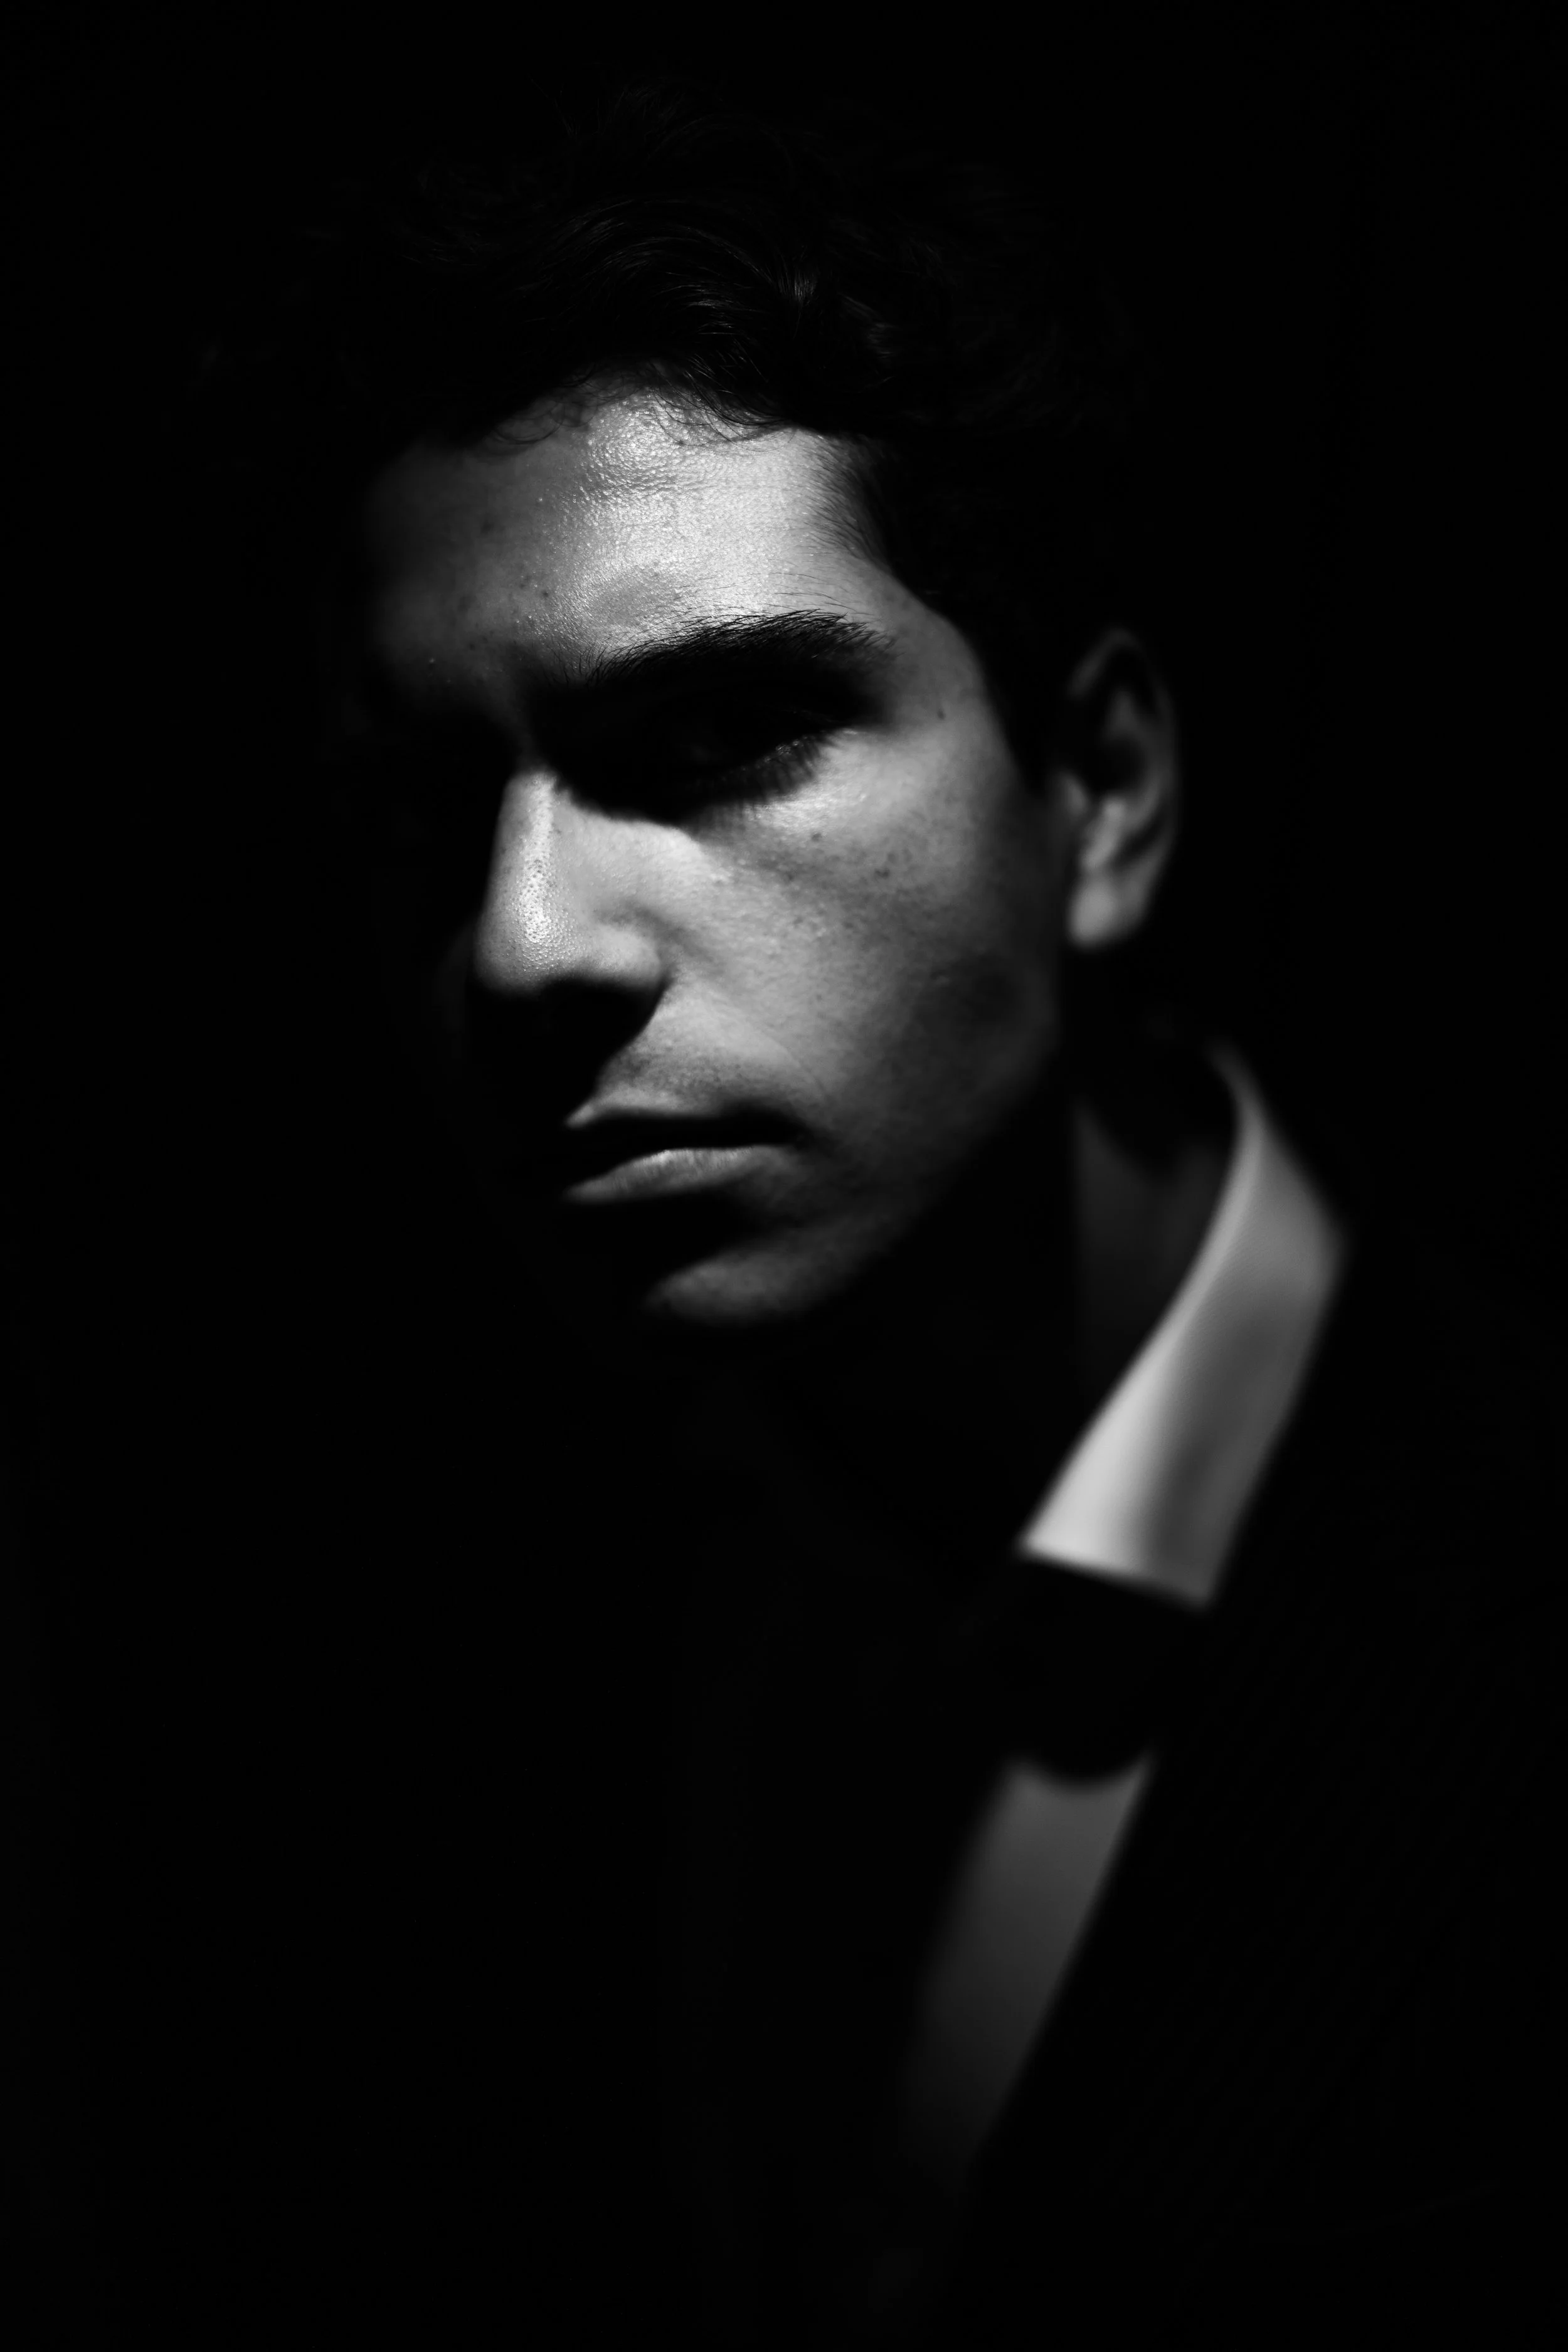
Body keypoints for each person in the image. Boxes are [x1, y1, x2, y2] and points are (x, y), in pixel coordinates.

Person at [180, 79, 1559, 2348]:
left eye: (719, 735)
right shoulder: (541, 1610)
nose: (527, 944)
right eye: (428, 811)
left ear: (1098, 791)